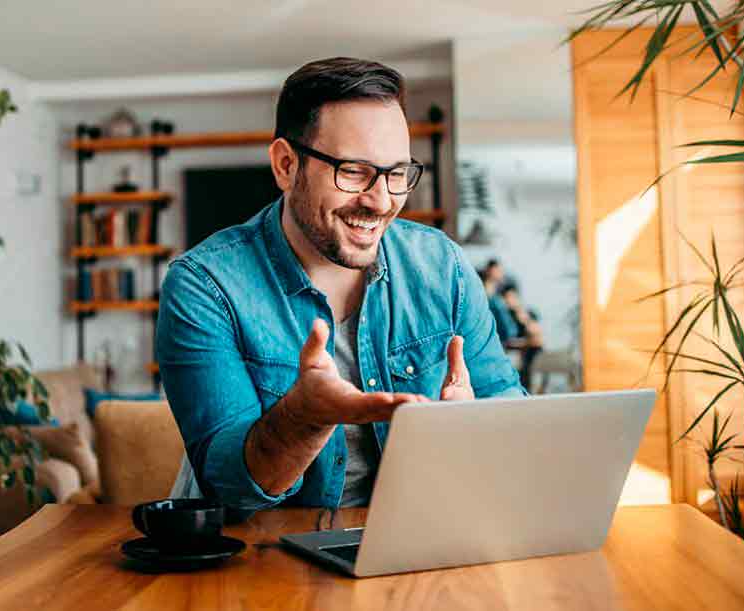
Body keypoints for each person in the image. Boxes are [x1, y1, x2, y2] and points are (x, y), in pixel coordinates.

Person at [156, 57, 525, 512]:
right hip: (263, 558)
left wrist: (475, 429)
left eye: (396, 174)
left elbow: (507, 409)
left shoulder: (442, 265)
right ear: (286, 165)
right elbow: (228, 488)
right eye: (353, 171)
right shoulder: (204, 286)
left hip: (415, 537)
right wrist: (303, 420)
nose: (381, 201)